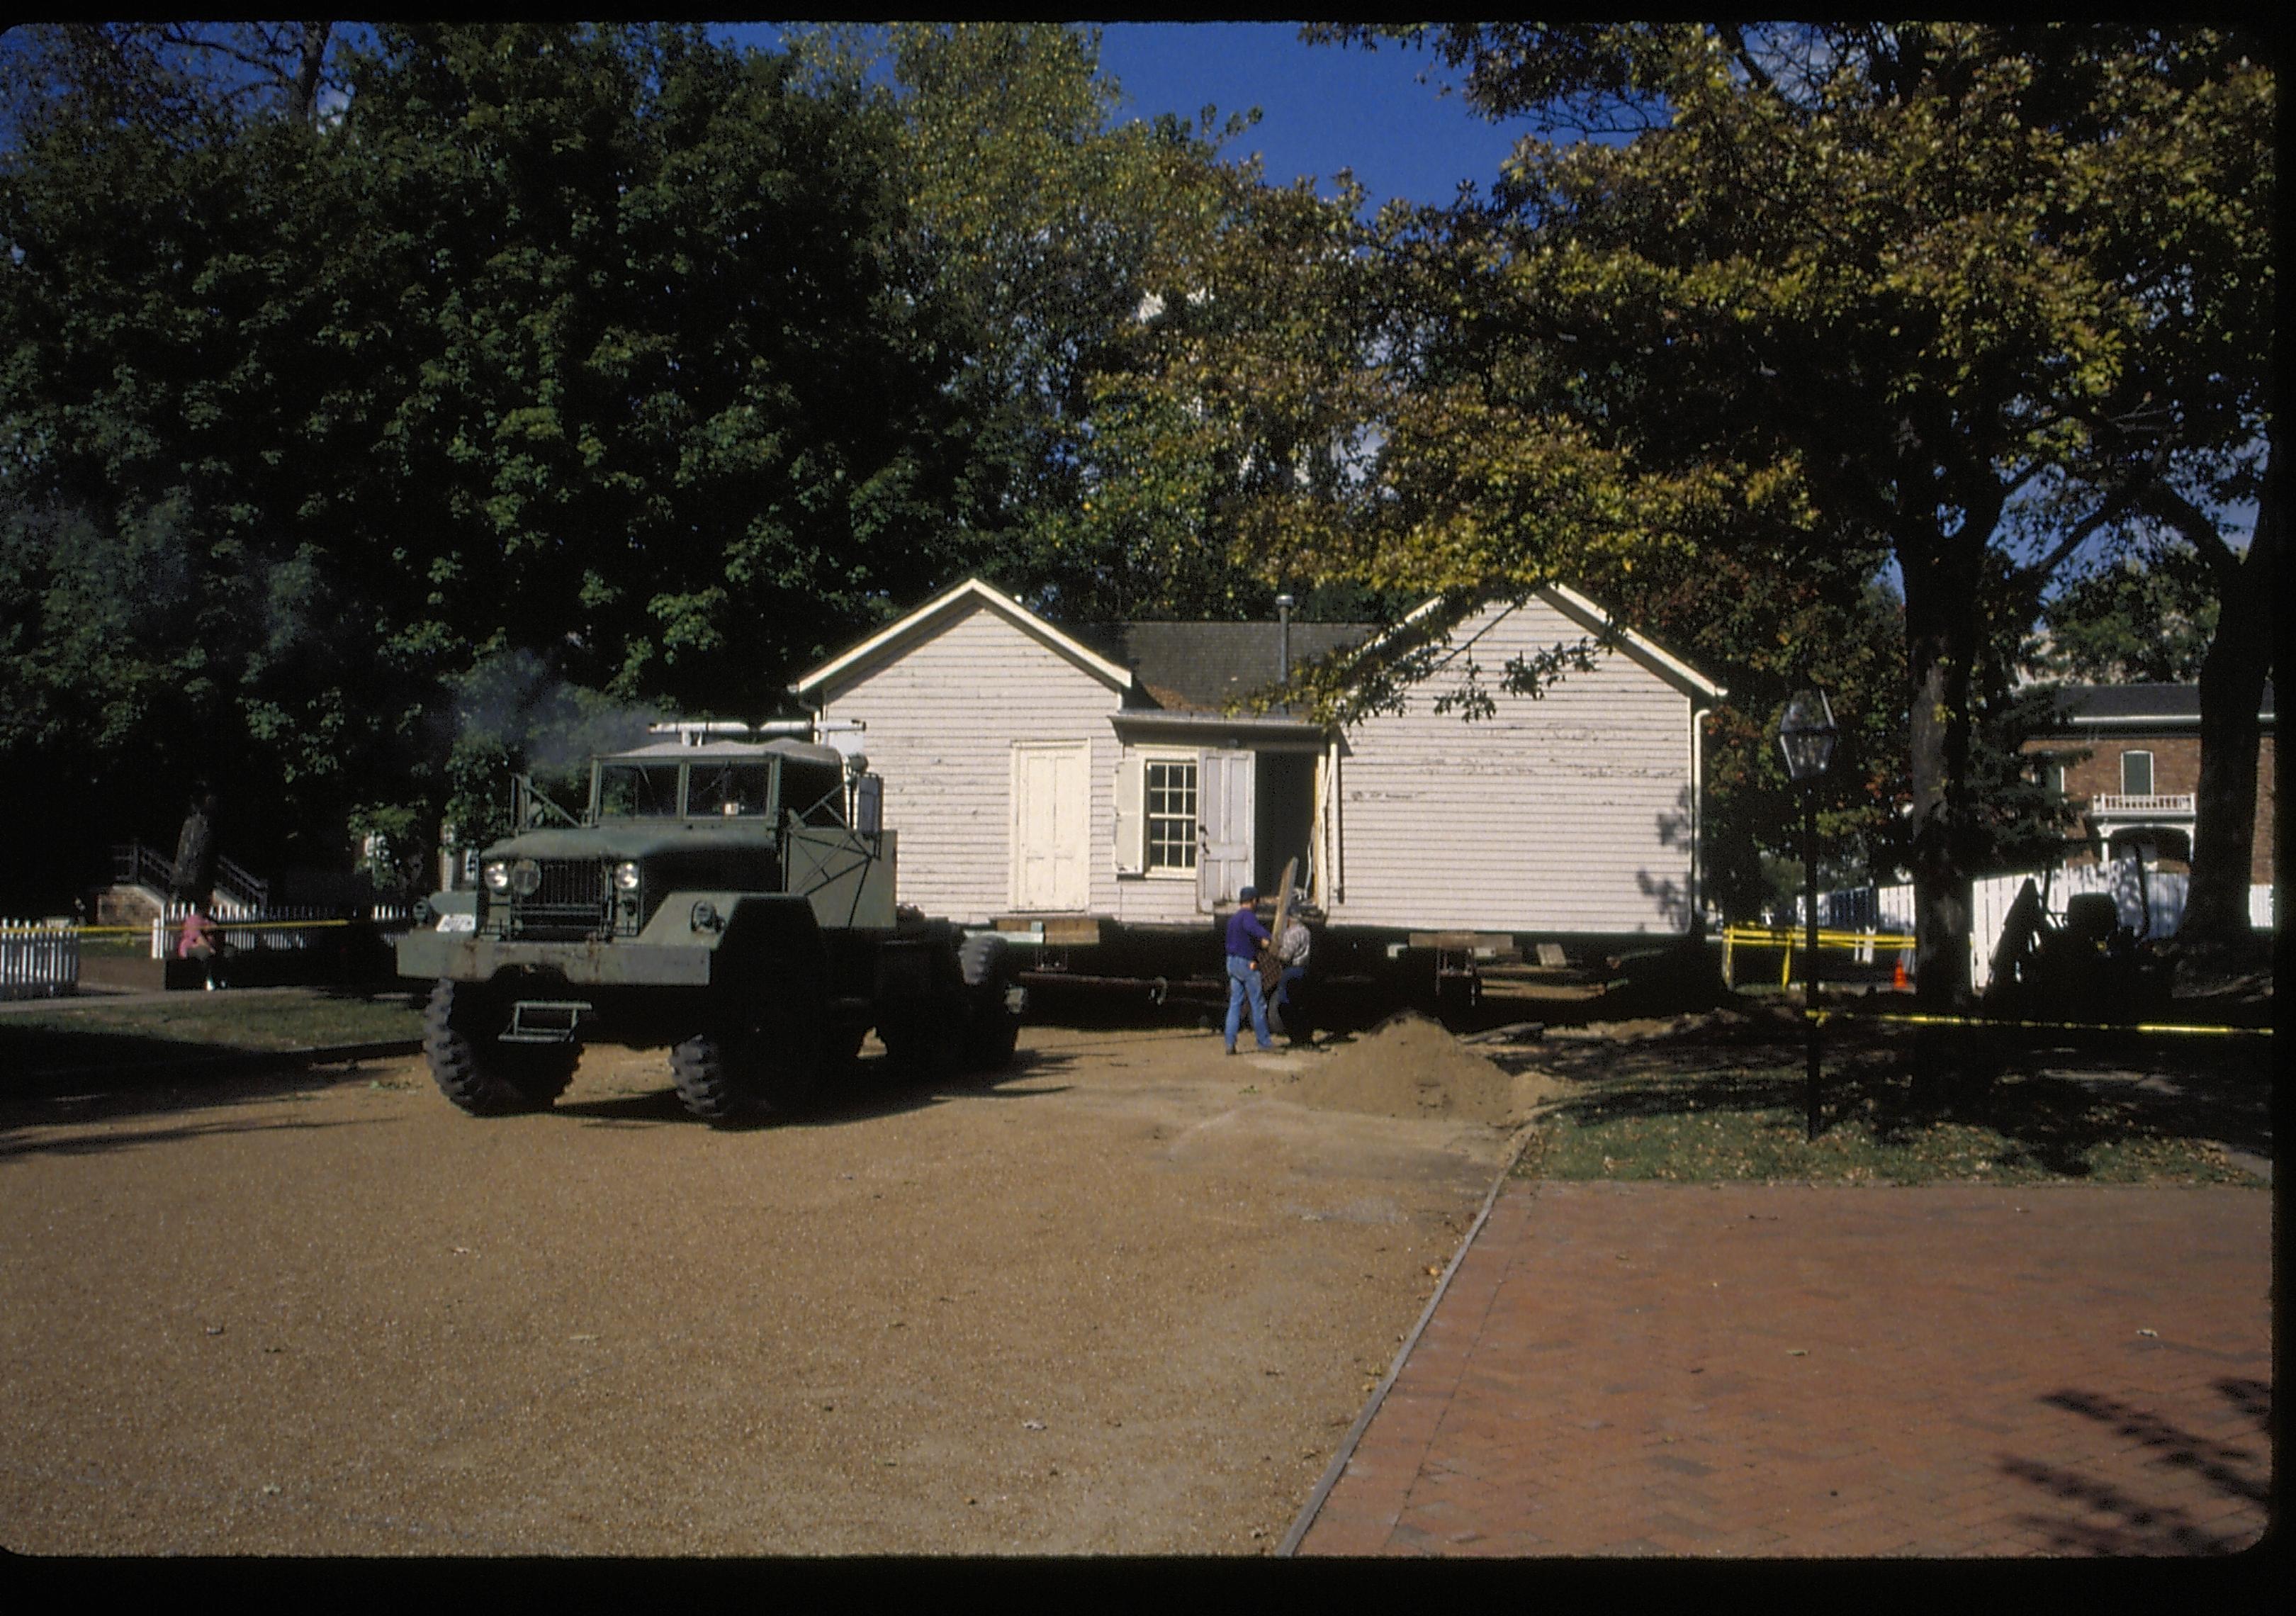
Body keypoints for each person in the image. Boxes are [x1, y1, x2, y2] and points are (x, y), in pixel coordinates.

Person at [1222, 885, 1276, 1055]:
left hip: (1231, 962)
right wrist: (1269, 937)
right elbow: (1254, 930)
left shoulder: (1233, 920)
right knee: (1257, 1003)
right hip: (1246, 963)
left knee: (1235, 1004)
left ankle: (1230, 1043)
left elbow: (1243, 938)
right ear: (1253, 901)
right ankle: (1264, 1042)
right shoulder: (1248, 917)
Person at [1268, 904, 1311, 1043]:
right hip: (1303, 969)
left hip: (1291, 970)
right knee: (1300, 1004)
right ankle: (1304, 1036)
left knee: (1285, 1004)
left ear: (1289, 919)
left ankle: (1294, 1036)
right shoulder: (1306, 931)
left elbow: (1286, 956)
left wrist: (1274, 951)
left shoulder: (1291, 933)